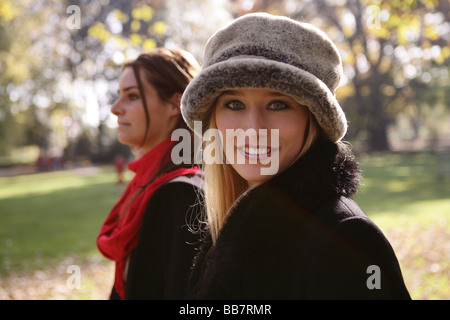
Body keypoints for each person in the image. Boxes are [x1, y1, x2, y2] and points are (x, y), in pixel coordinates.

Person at [180, 13, 411, 299]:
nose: (253, 129)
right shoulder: (230, 228)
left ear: (312, 119)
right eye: (235, 104)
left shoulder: (347, 237)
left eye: (278, 104)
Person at [97, 48, 203, 300]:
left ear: (174, 104)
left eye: (132, 96)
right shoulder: (148, 181)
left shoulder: (181, 194)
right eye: (118, 95)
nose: (115, 108)